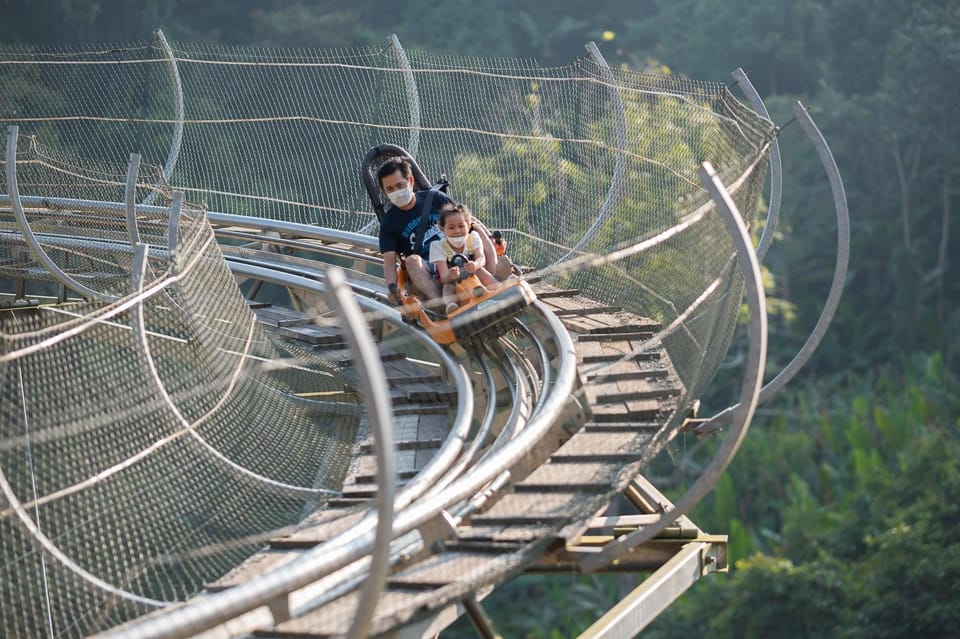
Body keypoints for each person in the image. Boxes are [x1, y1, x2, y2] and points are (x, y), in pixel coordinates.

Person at [377, 158, 509, 304]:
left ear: (411, 182)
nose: (397, 192)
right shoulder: (389, 223)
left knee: (476, 228)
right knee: (411, 260)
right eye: (390, 189)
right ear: (384, 192)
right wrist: (392, 287)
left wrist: (490, 238)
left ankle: (495, 273)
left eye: (400, 185)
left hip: (463, 250)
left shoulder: (434, 198)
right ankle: (440, 304)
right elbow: (389, 261)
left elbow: (466, 220)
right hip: (431, 266)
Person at [430, 203, 500, 315]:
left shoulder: (473, 237)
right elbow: (443, 276)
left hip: (473, 274)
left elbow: (481, 258)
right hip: (453, 281)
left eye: (461, 226)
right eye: (451, 227)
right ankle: (451, 307)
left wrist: (475, 265)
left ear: (468, 225)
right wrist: (450, 275)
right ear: (442, 229)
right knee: (447, 287)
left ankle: (498, 289)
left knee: (481, 270)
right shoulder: (438, 246)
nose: (457, 231)